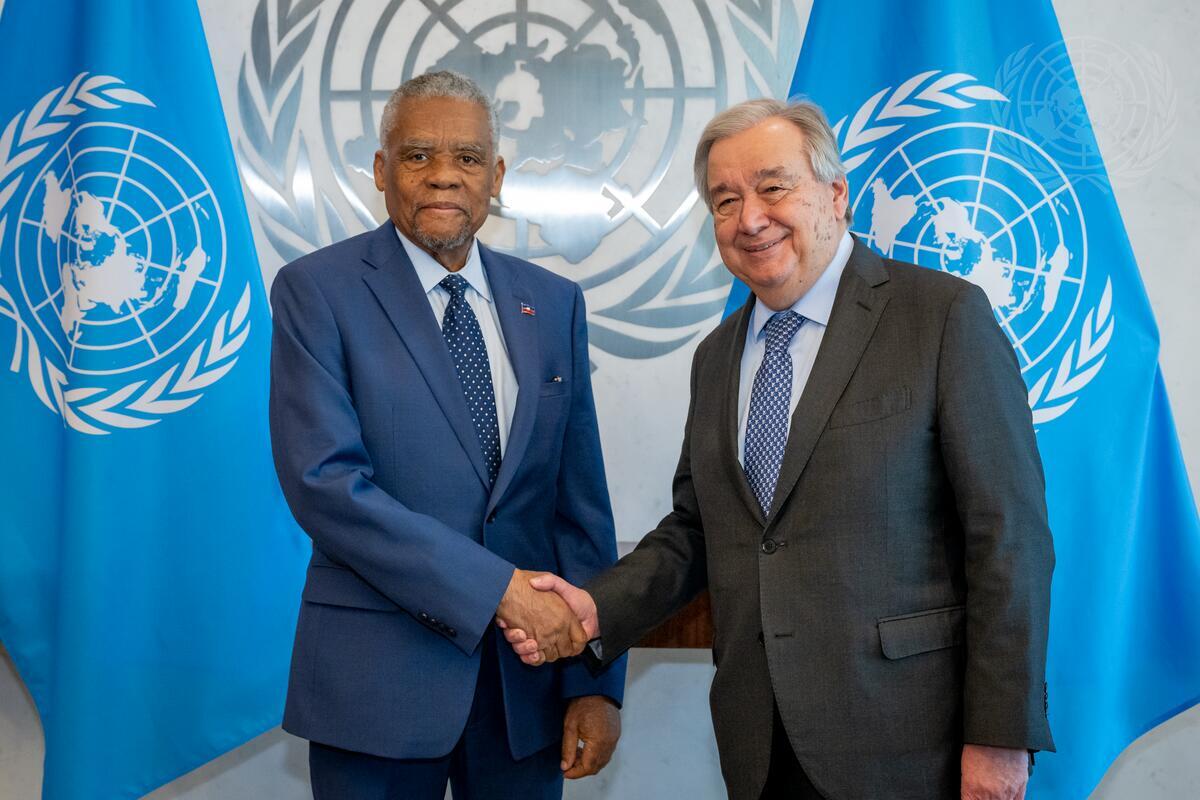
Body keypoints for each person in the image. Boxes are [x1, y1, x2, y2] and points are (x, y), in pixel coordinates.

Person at [502, 98, 1055, 800]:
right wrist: (594, 609)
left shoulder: (942, 317)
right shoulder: (716, 357)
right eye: (725, 200)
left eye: (772, 187)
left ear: (835, 194)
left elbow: (1008, 539)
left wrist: (1000, 735)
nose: (750, 218)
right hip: (759, 744)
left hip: (914, 745)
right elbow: (698, 530)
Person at [269, 70, 625, 799]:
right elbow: (326, 486)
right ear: (381, 170)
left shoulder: (554, 302)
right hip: (377, 690)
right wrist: (496, 591)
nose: (443, 175)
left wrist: (595, 681)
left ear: (496, 176)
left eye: (467, 157)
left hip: (526, 691)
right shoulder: (317, 291)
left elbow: (579, 507)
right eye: (417, 155)